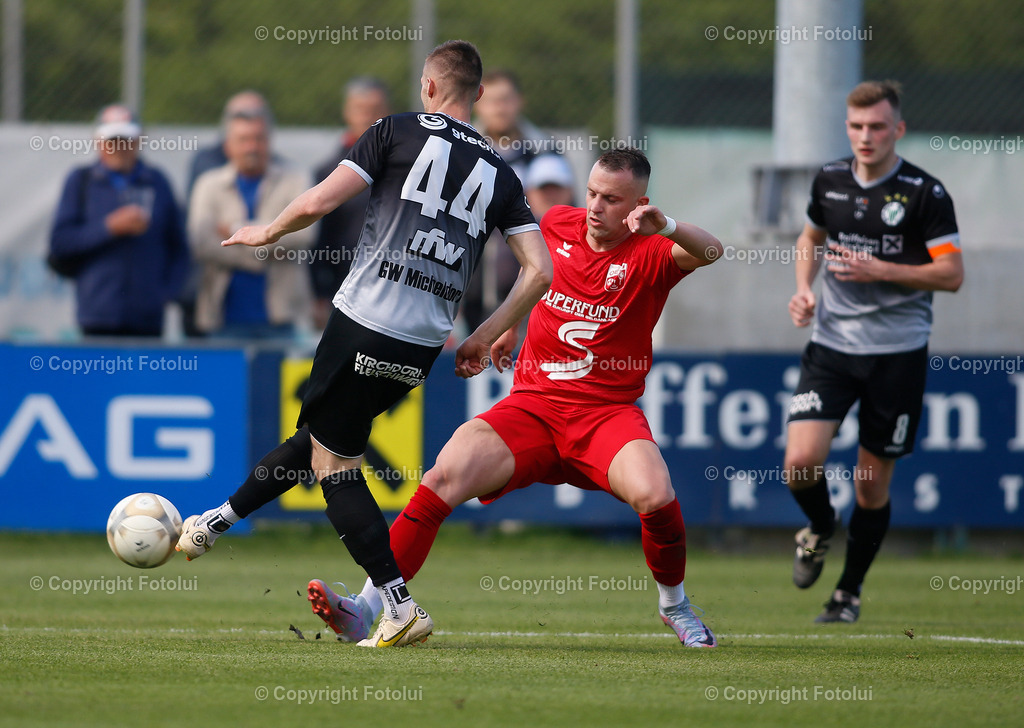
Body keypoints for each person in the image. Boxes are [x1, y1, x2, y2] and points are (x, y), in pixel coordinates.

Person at [174, 40, 552, 649]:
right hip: (424, 342)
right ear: (479, 97)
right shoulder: (503, 174)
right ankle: (215, 522)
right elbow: (540, 270)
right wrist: (484, 334)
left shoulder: (395, 131)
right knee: (324, 436)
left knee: (334, 462)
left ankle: (398, 606)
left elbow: (321, 200)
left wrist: (266, 230)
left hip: (364, 319)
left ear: (428, 87)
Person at [308, 147, 723, 648]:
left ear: (640, 204)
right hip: (534, 406)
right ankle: (367, 608)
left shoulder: (652, 249)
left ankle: (674, 605)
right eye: (591, 192)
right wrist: (510, 328)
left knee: (656, 494)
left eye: (612, 199)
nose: (595, 206)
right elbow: (537, 279)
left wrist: (670, 225)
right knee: (443, 476)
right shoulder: (557, 223)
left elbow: (712, 251)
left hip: (604, 415)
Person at [784, 80, 963, 623]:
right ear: (847, 128)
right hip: (832, 347)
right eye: (858, 126)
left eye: (878, 127)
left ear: (898, 130)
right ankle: (819, 526)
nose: (867, 136)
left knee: (871, 485)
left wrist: (880, 269)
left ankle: (847, 594)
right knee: (799, 464)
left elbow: (952, 275)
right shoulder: (831, 179)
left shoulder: (924, 194)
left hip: (897, 354)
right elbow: (810, 238)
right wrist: (804, 288)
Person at [48, 104, 189, 337]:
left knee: (144, 373)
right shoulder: (81, 181)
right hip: (97, 317)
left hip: (148, 320)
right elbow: (61, 243)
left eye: (126, 140)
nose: (120, 147)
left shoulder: (157, 182)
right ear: (99, 142)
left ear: (138, 141)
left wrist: (165, 294)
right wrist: (108, 228)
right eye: (113, 140)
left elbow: (179, 247)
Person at [188, 106, 313, 339]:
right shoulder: (208, 184)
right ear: (227, 145)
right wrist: (263, 249)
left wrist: (236, 229)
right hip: (224, 317)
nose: (252, 147)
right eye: (243, 139)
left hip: (282, 317)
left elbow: (303, 234)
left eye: (259, 139)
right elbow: (202, 242)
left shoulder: (295, 180)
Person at [309, 78, 392, 329]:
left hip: (399, 287)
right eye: (360, 109)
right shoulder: (328, 171)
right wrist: (319, 294)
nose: (367, 116)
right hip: (345, 289)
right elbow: (319, 238)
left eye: (375, 109)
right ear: (347, 112)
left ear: (388, 112)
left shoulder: (408, 166)